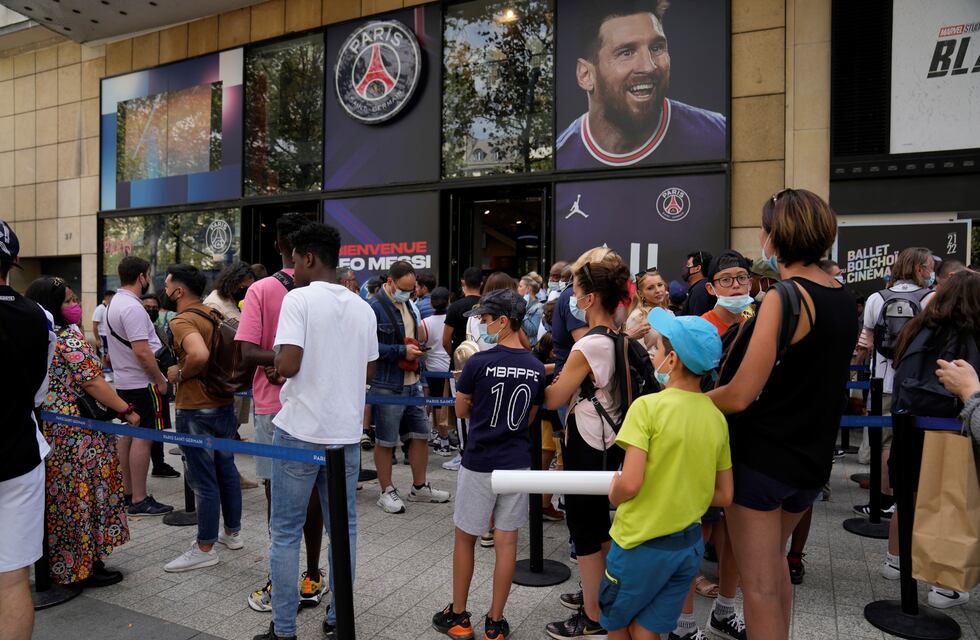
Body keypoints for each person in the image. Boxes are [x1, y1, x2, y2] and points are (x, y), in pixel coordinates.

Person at [707, 188, 857, 640]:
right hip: (811, 458)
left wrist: (681, 402)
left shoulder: (784, 297)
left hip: (762, 461)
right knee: (773, 567)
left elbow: (740, 395)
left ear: (775, 236)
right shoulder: (840, 295)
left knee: (760, 587)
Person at [255, 222, 378, 640]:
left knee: (285, 531)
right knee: (344, 529)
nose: (292, 270)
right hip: (345, 435)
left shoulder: (299, 298)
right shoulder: (362, 307)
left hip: (300, 432)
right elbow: (368, 371)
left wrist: (277, 364)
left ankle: (284, 629)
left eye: (294, 261)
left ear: (308, 258)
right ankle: (339, 619)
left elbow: (288, 364)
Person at [601, 308, 732, 640]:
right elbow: (725, 494)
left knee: (617, 623)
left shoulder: (647, 408)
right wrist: (683, 491)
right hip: (686, 547)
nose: (654, 355)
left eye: (658, 348)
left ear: (671, 360)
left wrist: (615, 491)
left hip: (638, 544)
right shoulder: (716, 417)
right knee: (648, 630)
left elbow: (630, 483)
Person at [432, 289, 545, 640]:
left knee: (465, 537)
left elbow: (461, 410)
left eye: (485, 319)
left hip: (480, 459)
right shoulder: (535, 367)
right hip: (516, 461)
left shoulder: (478, 363)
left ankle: (459, 616)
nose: (481, 324)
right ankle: (495, 622)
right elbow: (529, 418)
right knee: (507, 541)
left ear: (503, 321)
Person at [235, 213, 328, 611]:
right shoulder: (329, 292)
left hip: (273, 405)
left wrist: (278, 362)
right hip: (317, 405)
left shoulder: (261, 289)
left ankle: (279, 580)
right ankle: (312, 574)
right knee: (315, 494)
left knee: (278, 495)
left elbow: (245, 351)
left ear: (278, 245)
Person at [878, 269, 980, 609]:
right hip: (953, 433)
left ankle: (896, 561)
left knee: (906, 500)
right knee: (950, 500)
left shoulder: (916, 329)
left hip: (909, 427)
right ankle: (945, 585)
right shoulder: (971, 337)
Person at [26, 276, 135, 588]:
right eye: (68, 301)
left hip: (49, 428)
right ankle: (85, 566)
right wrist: (126, 409)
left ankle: (60, 563)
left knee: (61, 496)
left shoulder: (35, 336)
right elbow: (93, 382)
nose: (75, 305)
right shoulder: (68, 340)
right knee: (84, 494)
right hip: (79, 433)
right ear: (52, 306)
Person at [544, 259, 631, 640]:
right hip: (610, 440)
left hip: (587, 439)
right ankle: (604, 596)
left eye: (576, 293)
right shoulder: (618, 337)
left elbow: (554, 398)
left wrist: (539, 379)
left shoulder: (588, 344)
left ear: (591, 298)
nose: (573, 299)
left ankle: (593, 615)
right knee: (599, 526)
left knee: (584, 527)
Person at [556, 0, 725, 170]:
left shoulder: (719, 137)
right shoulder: (561, 160)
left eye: (657, 48)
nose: (649, 66)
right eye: (627, 52)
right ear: (586, 75)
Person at [162, 264, 243, 573]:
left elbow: (198, 355)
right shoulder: (214, 314)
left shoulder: (182, 320)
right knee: (226, 470)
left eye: (167, 286)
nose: (165, 291)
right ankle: (232, 533)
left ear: (178, 291)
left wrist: (179, 374)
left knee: (203, 479)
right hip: (223, 402)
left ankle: (205, 547)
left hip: (196, 406)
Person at [0, 219, 55, 640]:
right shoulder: (39, 317)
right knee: (12, 579)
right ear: (14, 261)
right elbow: (39, 393)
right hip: (18, 455)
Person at [853, 247, 936, 517]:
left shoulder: (877, 298)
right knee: (913, 441)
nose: (932, 272)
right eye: (930, 267)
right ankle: (905, 500)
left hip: (883, 381)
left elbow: (865, 342)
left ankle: (883, 500)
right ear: (920, 269)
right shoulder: (931, 298)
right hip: (919, 383)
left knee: (885, 442)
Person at [370, 260, 451, 514]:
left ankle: (419, 487)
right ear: (390, 282)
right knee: (386, 440)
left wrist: (416, 350)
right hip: (386, 384)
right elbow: (369, 347)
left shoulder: (409, 305)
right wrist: (401, 350)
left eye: (412, 289)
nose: (408, 293)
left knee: (420, 436)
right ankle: (386, 490)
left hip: (413, 380)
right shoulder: (374, 307)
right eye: (404, 288)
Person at [105, 256, 174, 516]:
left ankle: (128, 493)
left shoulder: (115, 303)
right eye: (148, 275)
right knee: (143, 438)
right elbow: (143, 351)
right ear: (141, 277)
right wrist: (160, 380)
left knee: (128, 435)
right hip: (143, 383)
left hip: (126, 382)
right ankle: (139, 498)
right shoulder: (132, 307)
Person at [421, 287, 454, 457]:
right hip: (450, 366)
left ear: (431, 303)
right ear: (448, 301)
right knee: (448, 404)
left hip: (433, 368)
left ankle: (443, 439)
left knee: (437, 403)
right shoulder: (452, 321)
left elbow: (421, 345)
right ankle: (445, 437)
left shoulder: (424, 323)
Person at [701, 251, 754, 335]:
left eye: (742, 277)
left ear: (750, 284)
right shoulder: (703, 327)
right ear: (710, 288)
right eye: (726, 279)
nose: (736, 285)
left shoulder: (754, 316)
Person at [624, 269, 670, 360]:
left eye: (660, 285)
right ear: (640, 293)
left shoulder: (669, 313)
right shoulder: (638, 316)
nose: (658, 290)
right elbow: (637, 354)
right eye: (650, 288)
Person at [444, 267, 483, 362]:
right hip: (483, 358)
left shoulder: (455, 307)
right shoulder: (487, 306)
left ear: (463, 282)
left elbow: (445, 341)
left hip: (460, 359)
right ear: (481, 283)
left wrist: (454, 356)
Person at [680, 251, 715, 317]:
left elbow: (698, 320)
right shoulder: (703, 287)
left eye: (688, 265)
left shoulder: (700, 290)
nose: (685, 268)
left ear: (697, 268)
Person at [91, 290, 114, 376]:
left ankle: (109, 373)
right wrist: (97, 339)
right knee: (104, 355)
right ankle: (105, 374)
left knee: (109, 355)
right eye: (113, 297)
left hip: (109, 336)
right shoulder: (100, 309)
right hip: (103, 336)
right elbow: (94, 325)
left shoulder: (109, 308)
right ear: (108, 297)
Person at [519, 274, 545, 346]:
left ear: (528, 289)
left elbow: (533, 331)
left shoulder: (539, 307)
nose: (518, 289)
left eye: (520, 286)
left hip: (531, 346)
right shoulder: (522, 303)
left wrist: (522, 312)